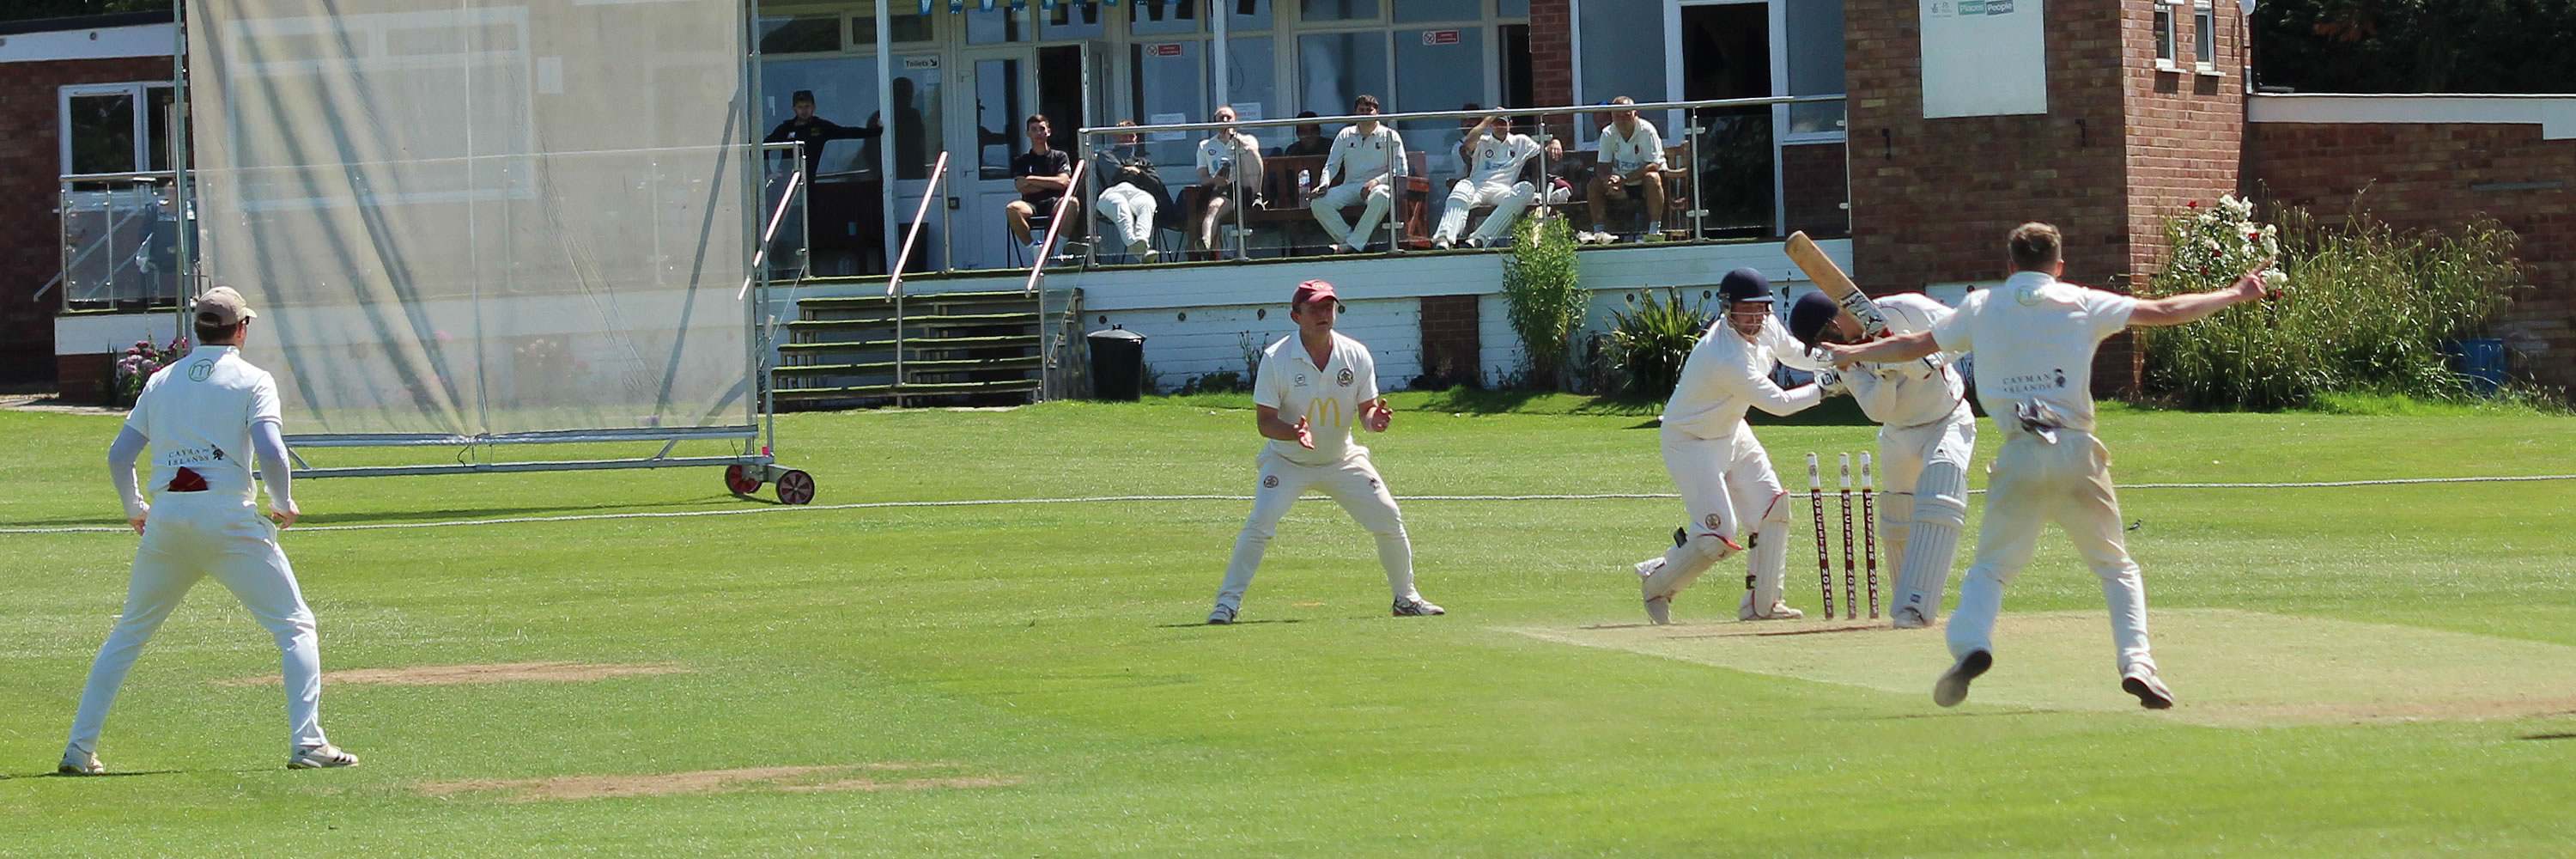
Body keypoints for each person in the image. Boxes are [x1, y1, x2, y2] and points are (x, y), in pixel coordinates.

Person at [1825, 222, 2271, 710]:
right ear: (2059, 266)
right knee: (2115, 567)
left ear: (2010, 265)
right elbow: (2163, 311)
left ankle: (1973, 645)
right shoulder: (2080, 300)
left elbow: (1913, 345)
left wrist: (1855, 352)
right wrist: (2236, 292)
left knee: (1991, 569)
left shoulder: (1980, 306)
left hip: (2019, 450)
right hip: (2078, 451)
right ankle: (2138, 663)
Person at [61, 286, 358, 775]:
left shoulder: (160, 380)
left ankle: (78, 748)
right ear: (241, 329)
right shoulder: (253, 379)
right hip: (226, 518)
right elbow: (271, 451)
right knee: (295, 626)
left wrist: (135, 508)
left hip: (168, 520)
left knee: (128, 634)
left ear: (196, 330)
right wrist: (282, 502)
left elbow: (119, 456)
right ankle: (306, 743)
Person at [1211, 279, 1443, 624]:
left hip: (1341, 459)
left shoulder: (1356, 354)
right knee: (1260, 523)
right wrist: (1293, 433)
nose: (1324, 314)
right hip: (1287, 460)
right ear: (1296, 316)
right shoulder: (1276, 359)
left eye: (1329, 306)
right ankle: (1226, 605)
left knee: (1388, 517)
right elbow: (1265, 423)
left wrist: (1373, 419)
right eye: (1315, 308)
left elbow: (1365, 410)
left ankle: (1406, 599)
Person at [1633, 269, 1832, 624]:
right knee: (1717, 535)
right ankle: (1656, 585)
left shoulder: (1767, 325)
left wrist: (1841, 359)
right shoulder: (1723, 355)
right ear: (1728, 309)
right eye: (1746, 311)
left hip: (1733, 432)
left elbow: (1795, 356)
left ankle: (1763, 604)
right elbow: (1780, 404)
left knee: (1772, 511)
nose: (1755, 319)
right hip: (1690, 441)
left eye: (1761, 309)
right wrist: (1830, 385)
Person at [1787, 289, 1976, 630]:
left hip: (1947, 418)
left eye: (1827, 337)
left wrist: (1925, 357)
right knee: (1897, 514)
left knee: (1941, 480)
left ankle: (1921, 599)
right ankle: (1908, 608)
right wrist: (1888, 375)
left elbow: (1963, 332)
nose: (1829, 346)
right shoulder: (1845, 357)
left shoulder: (1905, 308)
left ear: (1834, 321)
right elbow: (1877, 410)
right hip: (1898, 433)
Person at [1431, 110, 1541, 250]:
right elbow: (1467, 144)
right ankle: (1444, 239)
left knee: (1526, 189)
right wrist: (1488, 118)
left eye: (1502, 123)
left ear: (1510, 124)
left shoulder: (1521, 142)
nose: (1499, 126)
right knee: (1462, 186)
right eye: (1495, 123)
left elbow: (1543, 150)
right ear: (1490, 125)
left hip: (1503, 190)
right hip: (1477, 187)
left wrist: (1554, 142)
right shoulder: (1482, 140)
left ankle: (1478, 239)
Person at [1309, 94, 1406, 254]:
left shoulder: (1390, 135)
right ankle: (1354, 243)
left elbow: (1401, 170)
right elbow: (1331, 165)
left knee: (1383, 196)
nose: (1366, 113)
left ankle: (1351, 245)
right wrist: (1324, 184)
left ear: (1378, 113)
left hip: (1379, 188)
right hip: (1351, 187)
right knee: (1319, 203)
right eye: (1362, 110)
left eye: (1370, 110)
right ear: (1355, 113)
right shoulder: (1345, 135)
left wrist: (1376, 181)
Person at [1582, 96, 1667, 245]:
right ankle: (1599, 233)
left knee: (1652, 178)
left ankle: (1654, 231)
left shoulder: (1647, 131)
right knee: (1594, 184)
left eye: (1626, 114)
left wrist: (1624, 179)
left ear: (1635, 114)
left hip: (1645, 183)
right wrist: (1608, 181)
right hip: (1621, 184)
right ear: (1612, 116)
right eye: (1617, 115)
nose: (1622, 119)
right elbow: (1602, 166)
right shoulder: (1607, 133)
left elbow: (1653, 165)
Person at [1189, 105, 1263, 258]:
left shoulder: (1248, 139)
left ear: (1236, 121)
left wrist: (1234, 137)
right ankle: (1206, 241)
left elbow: (1254, 160)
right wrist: (1214, 179)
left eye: (1228, 118)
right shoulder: (1205, 146)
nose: (1224, 121)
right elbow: (1203, 177)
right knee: (1213, 207)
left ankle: (1258, 196)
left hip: (1247, 186)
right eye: (1220, 118)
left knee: (1249, 151)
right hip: (1224, 187)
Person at [762, 90, 883, 181]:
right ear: (794, 109)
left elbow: (848, 132)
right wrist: (768, 173)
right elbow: (763, 148)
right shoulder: (786, 128)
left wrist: (876, 131)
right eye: (800, 107)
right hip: (786, 183)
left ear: (814, 107)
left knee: (809, 212)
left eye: (807, 106)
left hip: (809, 182)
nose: (804, 110)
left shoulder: (821, 127)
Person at [1093, 120, 1170, 263]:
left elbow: (1157, 185)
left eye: (1131, 136)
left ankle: (1140, 241)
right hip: (1112, 193)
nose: (1127, 139)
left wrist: (1138, 173)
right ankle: (1141, 251)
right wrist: (1139, 174)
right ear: (1115, 137)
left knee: (1147, 203)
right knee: (1120, 204)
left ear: (1136, 139)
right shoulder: (1105, 155)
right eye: (1123, 136)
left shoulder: (1143, 162)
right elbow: (1117, 175)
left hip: (1136, 194)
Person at [1006, 113, 1076, 263]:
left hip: (1055, 202)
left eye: (1042, 129)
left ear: (1048, 132)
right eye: (1034, 129)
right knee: (1012, 209)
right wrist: (1051, 183)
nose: (1039, 133)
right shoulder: (1022, 161)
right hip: (1031, 205)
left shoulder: (1060, 156)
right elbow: (1022, 188)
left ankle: (1057, 251)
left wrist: (1032, 180)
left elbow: (1064, 182)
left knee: (1072, 202)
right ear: (1028, 134)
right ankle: (1035, 251)